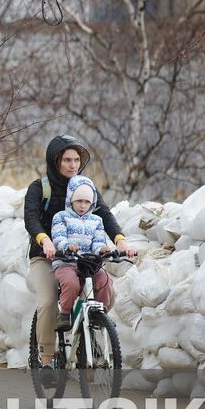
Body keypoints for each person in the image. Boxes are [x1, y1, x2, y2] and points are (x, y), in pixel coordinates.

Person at [23, 134, 133, 384]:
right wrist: (45, 240)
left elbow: (104, 214)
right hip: (47, 257)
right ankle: (47, 360)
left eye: (77, 160)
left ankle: (90, 331)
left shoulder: (85, 187)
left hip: (82, 257)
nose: (73, 165)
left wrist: (120, 241)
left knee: (108, 292)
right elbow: (31, 218)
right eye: (67, 160)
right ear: (55, 161)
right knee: (48, 302)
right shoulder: (40, 188)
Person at [49, 175, 115, 324]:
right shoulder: (61, 217)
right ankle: (65, 314)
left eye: (87, 202)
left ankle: (99, 314)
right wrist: (67, 246)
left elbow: (98, 242)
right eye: (79, 201)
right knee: (71, 283)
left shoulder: (96, 220)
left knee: (105, 280)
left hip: (88, 264)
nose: (82, 206)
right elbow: (58, 238)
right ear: (71, 199)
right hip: (66, 263)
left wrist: (102, 249)